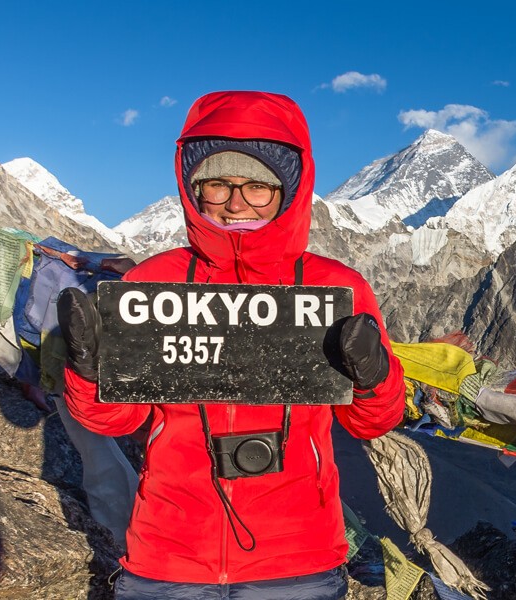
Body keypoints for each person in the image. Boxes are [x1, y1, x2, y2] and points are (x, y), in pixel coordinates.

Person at [57, 90, 406, 599]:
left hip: (297, 556)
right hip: (169, 552)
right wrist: (89, 372)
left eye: (257, 187)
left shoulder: (336, 288)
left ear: (288, 188)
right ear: (193, 188)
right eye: (218, 185)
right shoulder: (156, 283)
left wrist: (375, 377)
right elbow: (117, 421)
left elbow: (374, 421)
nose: (236, 202)